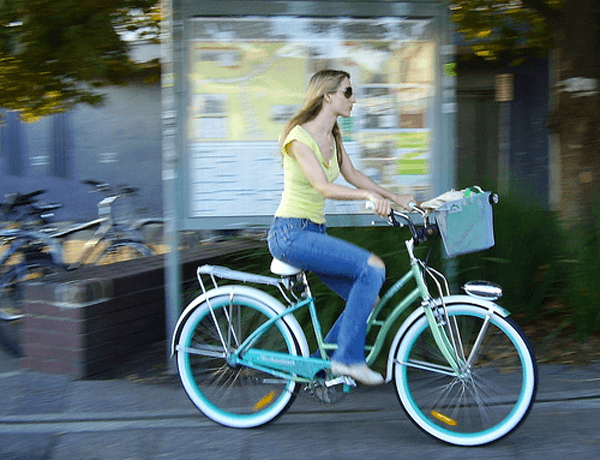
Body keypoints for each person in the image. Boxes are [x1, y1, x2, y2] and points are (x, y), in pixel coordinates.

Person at [267, 69, 415, 385]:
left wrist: (395, 198)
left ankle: (318, 369)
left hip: (313, 233)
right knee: (373, 268)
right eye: (348, 92)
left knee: (369, 297)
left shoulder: (334, 135)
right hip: (290, 234)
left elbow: (353, 175)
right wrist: (368, 197)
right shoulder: (299, 138)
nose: (354, 99)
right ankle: (347, 359)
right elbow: (322, 186)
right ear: (327, 95)